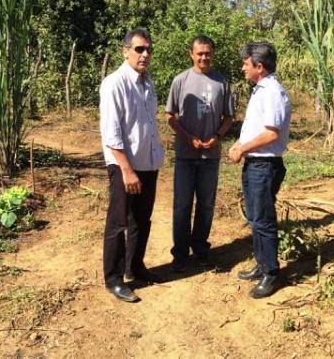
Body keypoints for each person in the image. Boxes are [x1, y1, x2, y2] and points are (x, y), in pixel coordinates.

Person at [99, 28, 165, 302]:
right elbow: (111, 133)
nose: (145, 54)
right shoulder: (114, 83)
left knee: (141, 219)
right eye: (139, 49)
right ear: (125, 51)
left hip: (147, 163)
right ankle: (113, 279)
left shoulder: (147, 84)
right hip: (123, 165)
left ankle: (134, 267)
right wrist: (127, 170)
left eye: (149, 49)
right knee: (118, 222)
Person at [165, 35, 234, 271]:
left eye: (208, 53)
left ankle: (201, 249)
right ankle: (180, 254)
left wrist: (217, 137)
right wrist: (189, 138)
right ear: (191, 54)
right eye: (200, 53)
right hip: (185, 155)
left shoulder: (222, 82)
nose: (204, 57)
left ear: (213, 54)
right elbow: (169, 117)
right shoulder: (180, 80)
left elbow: (229, 117)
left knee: (206, 204)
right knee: (182, 205)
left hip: (210, 157)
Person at [228, 42, 291, 299]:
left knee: (263, 221)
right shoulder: (260, 90)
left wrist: (243, 148)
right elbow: (257, 128)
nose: (243, 67)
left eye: (246, 63)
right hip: (255, 164)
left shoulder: (272, 91)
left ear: (259, 67)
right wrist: (240, 144)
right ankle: (262, 264)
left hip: (265, 165)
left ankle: (271, 274)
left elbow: (271, 133)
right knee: (255, 218)